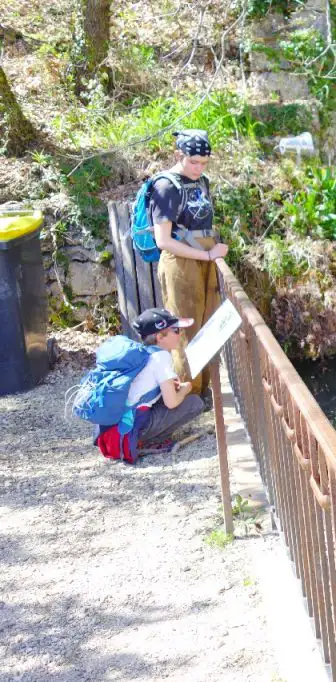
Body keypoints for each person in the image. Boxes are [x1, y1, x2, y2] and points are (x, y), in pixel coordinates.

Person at [151, 129, 228, 401]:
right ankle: (188, 397)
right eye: (193, 162)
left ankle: (202, 391)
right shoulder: (165, 186)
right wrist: (208, 256)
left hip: (204, 263)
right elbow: (163, 241)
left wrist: (211, 255)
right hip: (181, 266)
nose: (198, 168)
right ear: (178, 155)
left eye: (203, 163)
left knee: (207, 326)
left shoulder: (202, 182)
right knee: (184, 331)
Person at [95, 308, 204, 462]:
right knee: (195, 403)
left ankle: (145, 437)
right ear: (160, 336)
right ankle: (149, 441)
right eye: (176, 330)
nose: (180, 334)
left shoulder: (144, 353)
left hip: (114, 431)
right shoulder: (161, 358)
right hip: (131, 429)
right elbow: (171, 403)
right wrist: (186, 389)